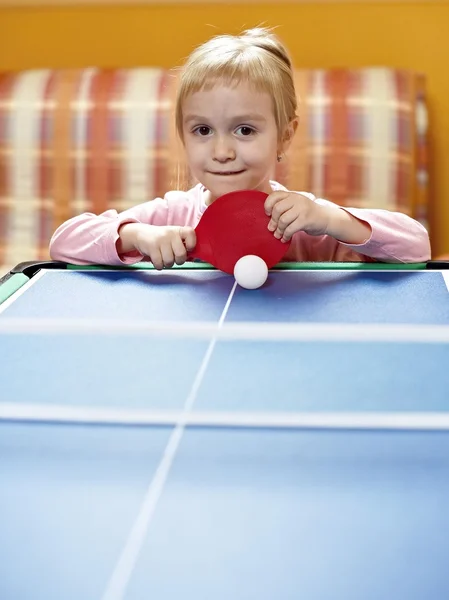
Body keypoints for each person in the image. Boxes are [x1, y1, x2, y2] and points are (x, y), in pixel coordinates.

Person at [49, 27, 431, 270]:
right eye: (202, 130)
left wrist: (331, 219)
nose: (222, 151)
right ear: (184, 137)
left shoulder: (302, 222)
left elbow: (417, 246)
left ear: (284, 136)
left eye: (244, 130)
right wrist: (137, 237)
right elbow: (64, 242)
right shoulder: (172, 215)